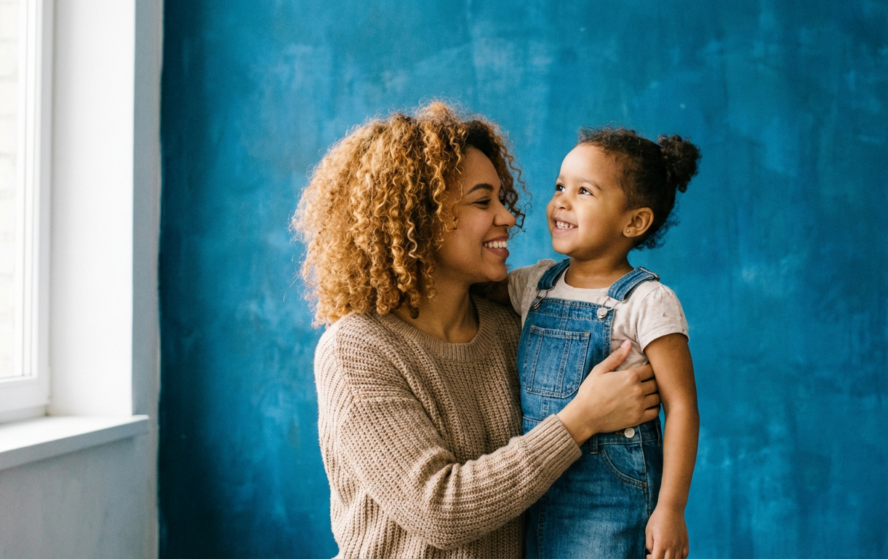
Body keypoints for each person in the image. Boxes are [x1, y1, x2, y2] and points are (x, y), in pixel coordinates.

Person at [292, 103, 662, 558]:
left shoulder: (514, 329)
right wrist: (582, 419)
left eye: (503, 200)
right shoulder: (357, 350)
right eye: (483, 201)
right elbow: (438, 511)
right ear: (420, 219)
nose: (507, 217)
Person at [499, 128, 701, 559]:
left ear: (634, 221)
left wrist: (671, 508)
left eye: (584, 191)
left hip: (608, 501)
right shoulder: (535, 284)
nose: (561, 201)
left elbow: (681, 406)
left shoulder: (646, 301)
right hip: (534, 487)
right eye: (559, 187)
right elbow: (467, 289)